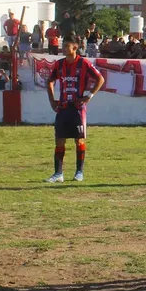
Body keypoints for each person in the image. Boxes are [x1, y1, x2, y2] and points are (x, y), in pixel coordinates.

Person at [45, 35, 105, 183]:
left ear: (75, 48)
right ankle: (58, 173)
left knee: (79, 140)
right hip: (63, 107)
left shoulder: (84, 63)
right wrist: (52, 100)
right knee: (59, 140)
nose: (63, 48)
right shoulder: (59, 65)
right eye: (63, 46)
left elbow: (100, 79)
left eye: (66, 46)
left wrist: (89, 95)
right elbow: (50, 81)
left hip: (78, 108)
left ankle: (79, 172)